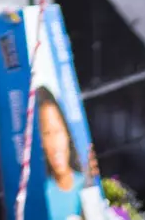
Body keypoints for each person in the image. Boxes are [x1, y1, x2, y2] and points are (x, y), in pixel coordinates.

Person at [32, 85, 85, 219]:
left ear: (67, 132)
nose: (55, 144)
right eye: (46, 133)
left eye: (57, 131)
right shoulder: (42, 197)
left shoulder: (86, 183)